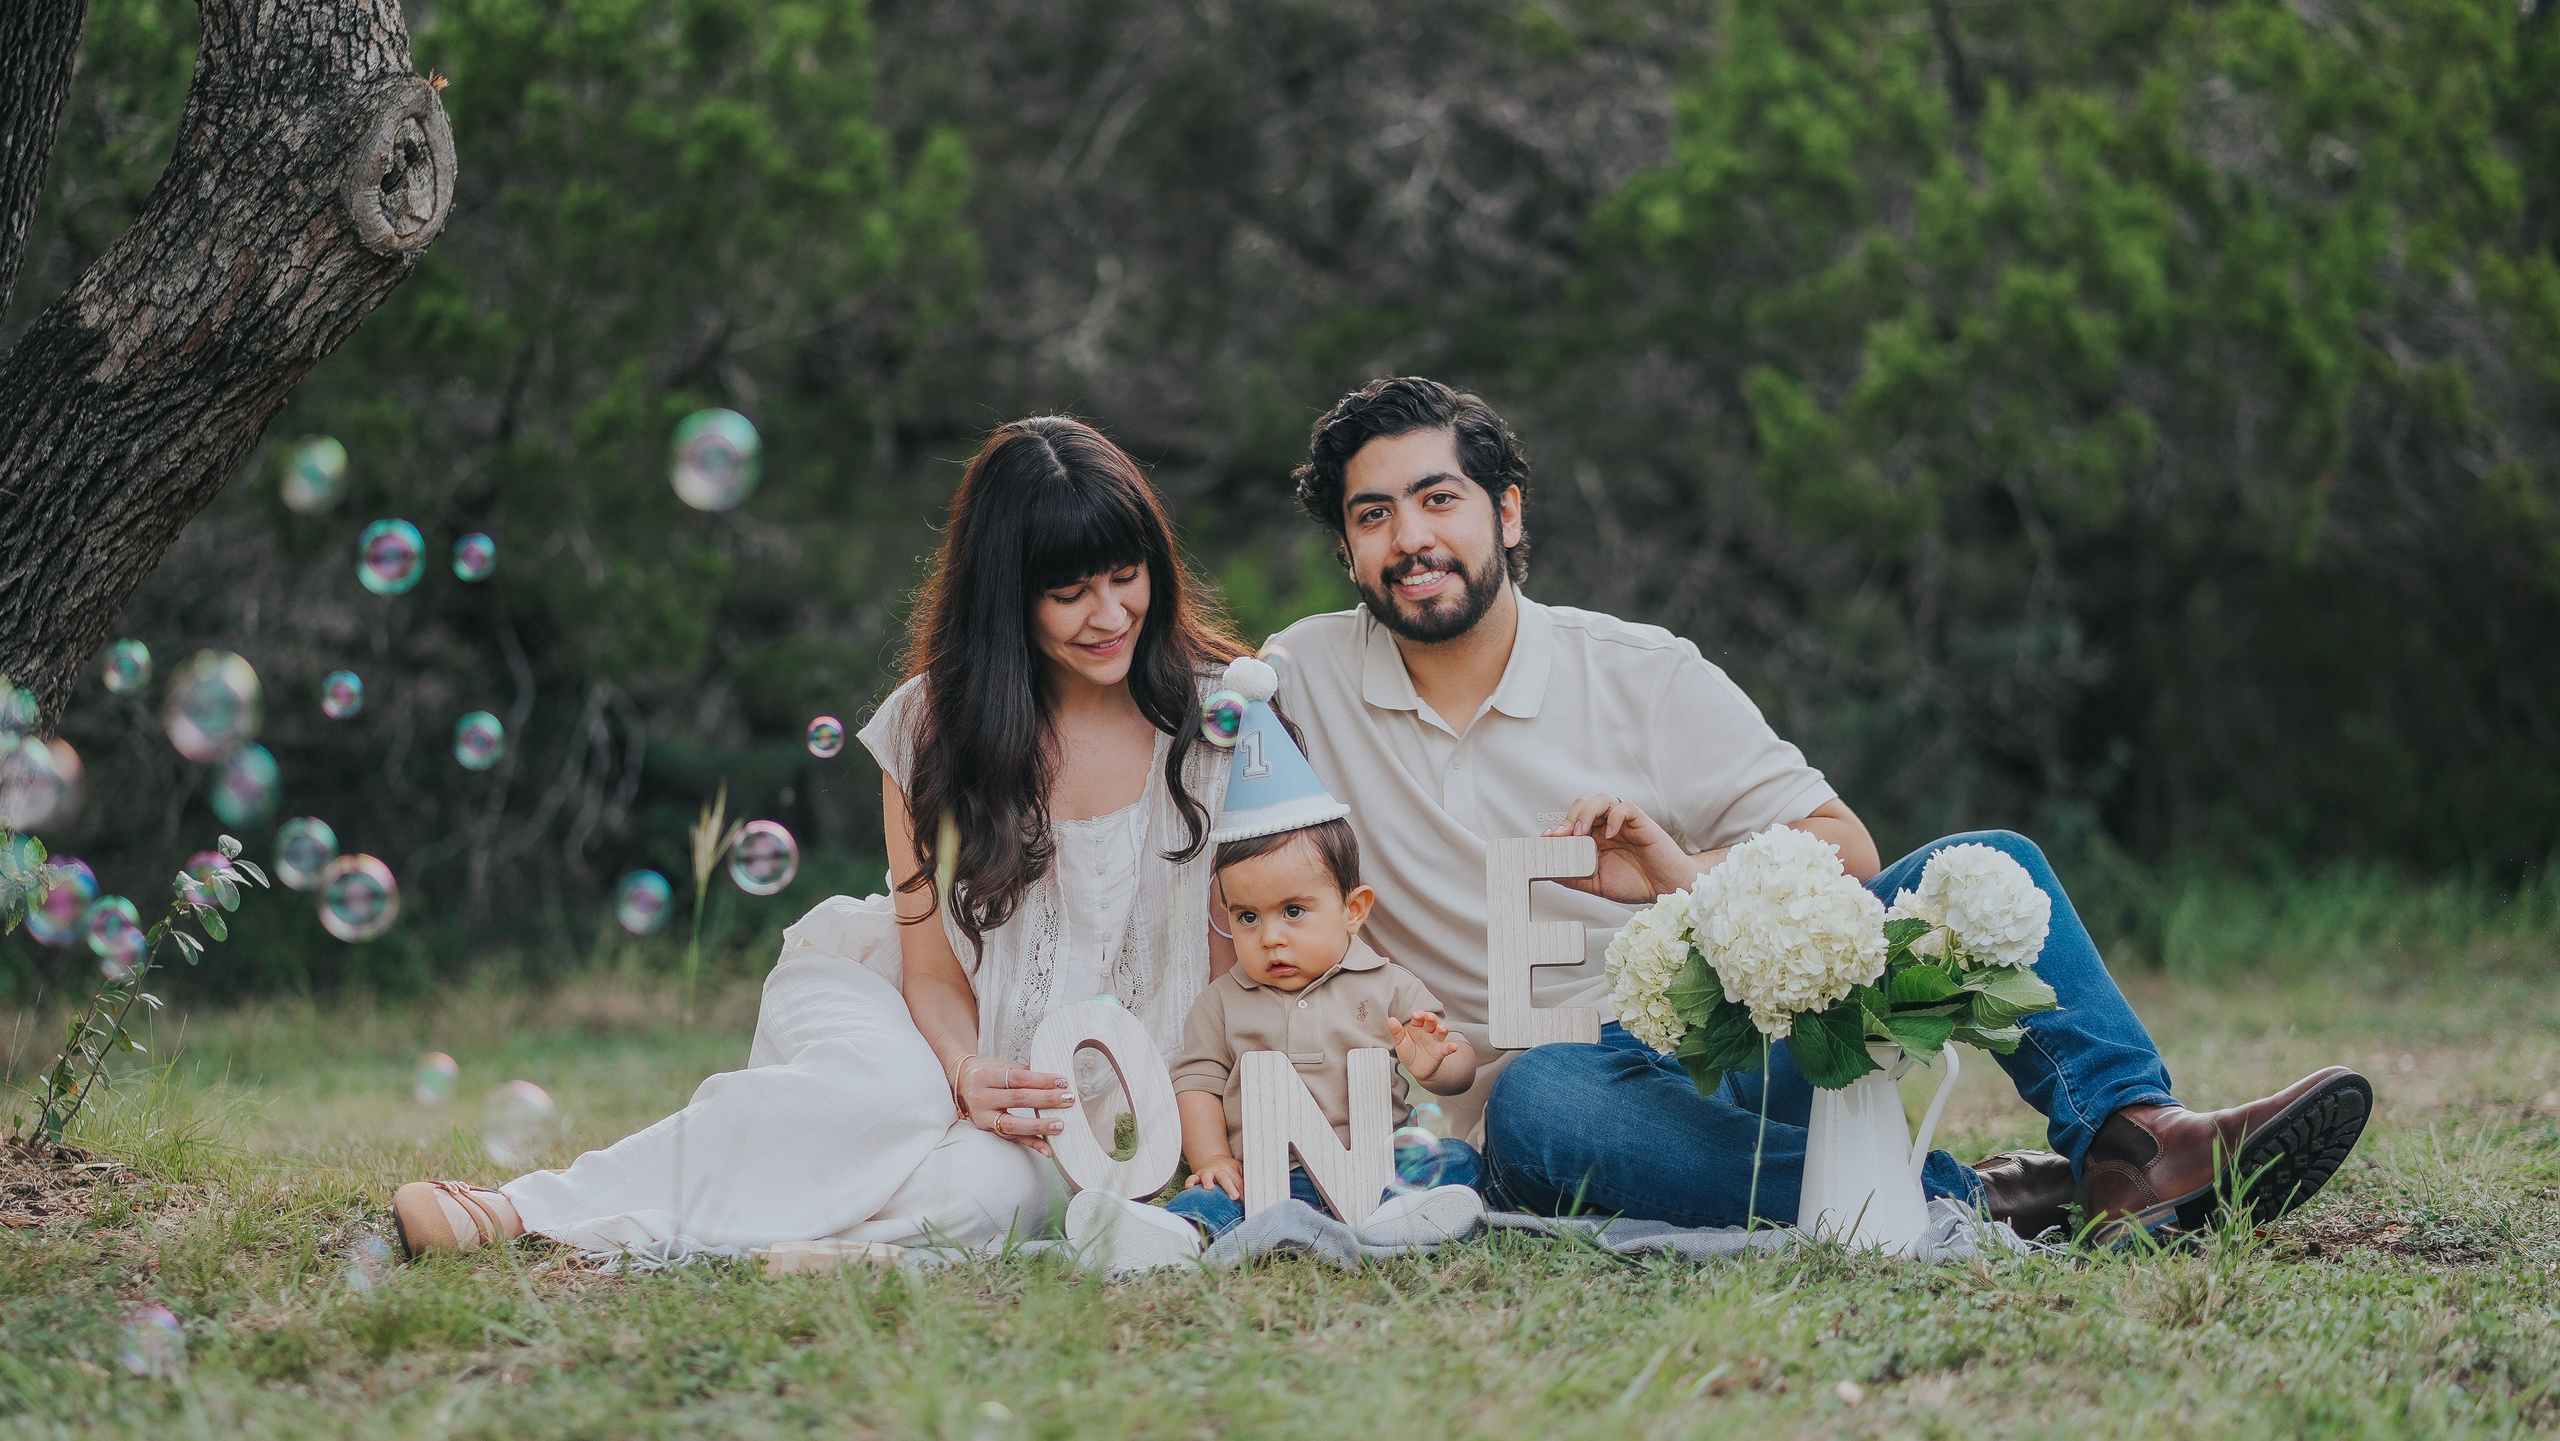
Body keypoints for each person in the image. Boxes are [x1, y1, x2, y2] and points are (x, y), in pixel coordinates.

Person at [1263, 376, 2373, 1240]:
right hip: (1561, 1116)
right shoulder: (1298, 680)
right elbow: (1154, 693)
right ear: (1350, 547)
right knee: (1538, 1095)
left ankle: (2136, 1142)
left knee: (1987, 862)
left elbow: (1845, 851)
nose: (1409, 537)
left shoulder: (1641, 672)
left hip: (1737, 1047)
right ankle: (1965, 1197)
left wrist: (1682, 869)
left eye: (1437, 498)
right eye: (1373, 514)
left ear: (1507, 514)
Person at [391, 416, 1245, 1263]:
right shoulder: (930, 726)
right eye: (1069, 594)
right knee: (890, 1096)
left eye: (1127, 577)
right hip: (906, 1016)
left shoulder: (1216, 717)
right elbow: (931, 972)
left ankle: (798, 1244)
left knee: (995, 1194)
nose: (1111, 613)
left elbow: (1229, 962)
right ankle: (519, 1209)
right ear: (1007, 597)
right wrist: (963, 1070)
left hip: (1066, 1105)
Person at [1060, 661, 1487, 1272]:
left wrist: (1440, 1062)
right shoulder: (1223, 1003)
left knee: (1453, 1160)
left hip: (1370, 1164)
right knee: (1208, 1198)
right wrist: (1210, 1157)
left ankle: (1398, 1217)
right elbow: (1199, 1084)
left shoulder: (1388, 984)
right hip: (1264, 1176)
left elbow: (1458, 1070)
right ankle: (1169, 1236)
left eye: (1294, 911)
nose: (1270, 938)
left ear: (1353, 910)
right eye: (1248, 918)